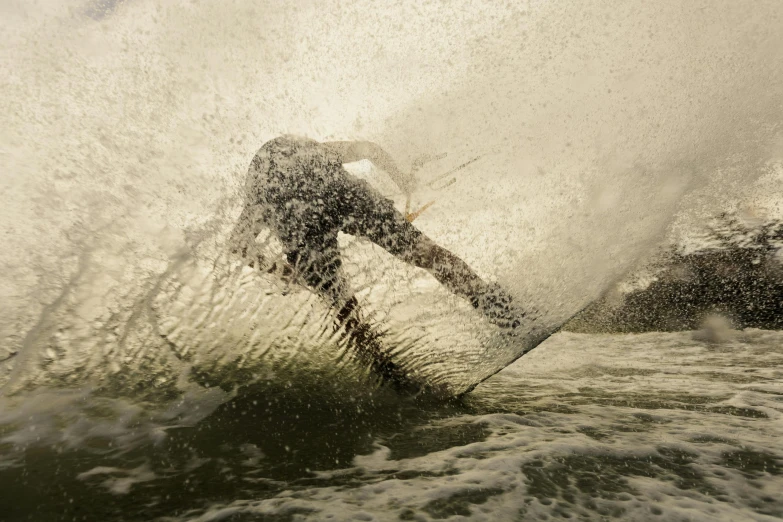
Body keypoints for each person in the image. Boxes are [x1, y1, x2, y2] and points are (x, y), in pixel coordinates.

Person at [230, 135, 523, 389]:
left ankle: (390, 376)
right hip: (337, 192)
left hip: (302, 216)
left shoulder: (262, 189)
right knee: (424, 253)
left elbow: (239, 244)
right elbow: (371, 149)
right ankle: (498, 307)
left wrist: (285, 272)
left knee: (343, 304)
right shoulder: (313, 154)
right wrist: (404, 182)